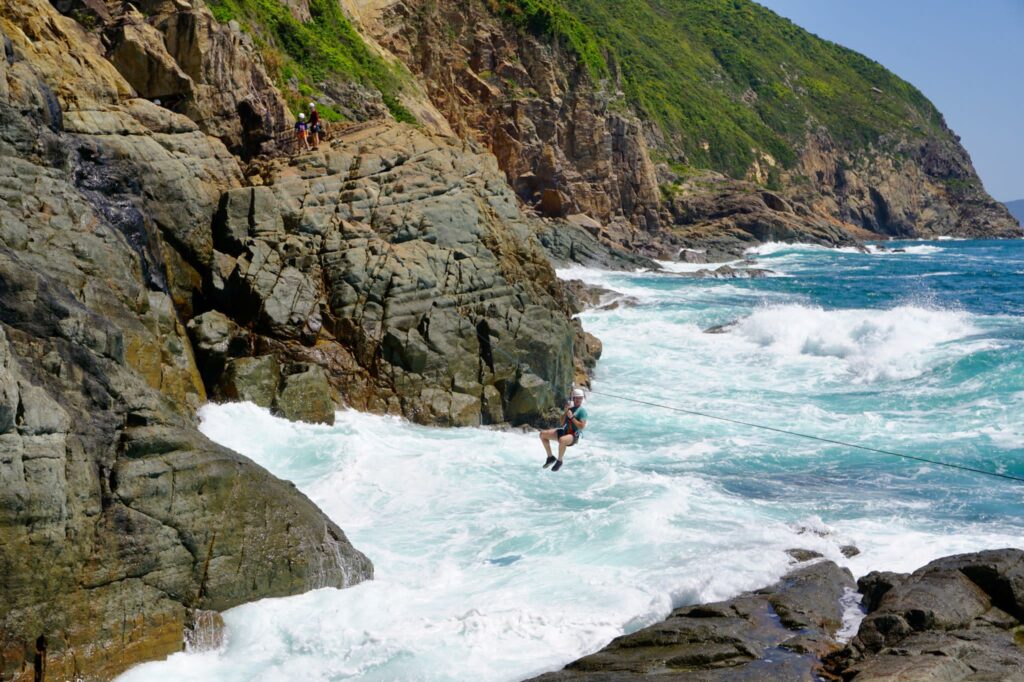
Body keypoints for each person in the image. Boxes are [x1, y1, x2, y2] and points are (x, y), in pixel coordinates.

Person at [540, 388, 588, 471]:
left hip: (573, 435)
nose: (578, 400)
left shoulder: (582, 411)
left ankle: (559, 461)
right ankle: (550, 457)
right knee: (542, 434)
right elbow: (561, 423)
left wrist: (572, 417)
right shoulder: (570, 409)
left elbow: (582, 427)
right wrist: (566, 412)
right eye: (577, 398)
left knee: (562, 440)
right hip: (564, 431)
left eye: (580, 398)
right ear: (573, 399)